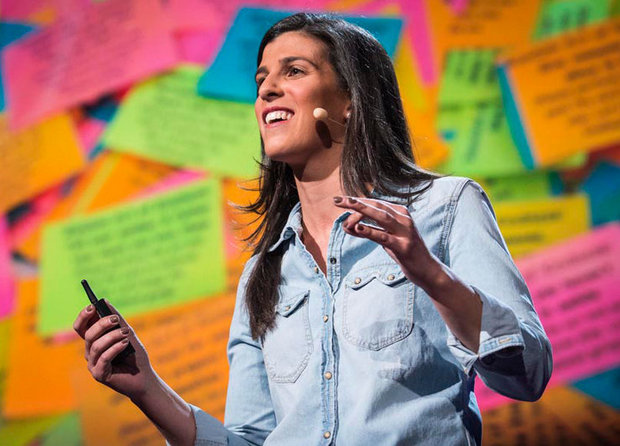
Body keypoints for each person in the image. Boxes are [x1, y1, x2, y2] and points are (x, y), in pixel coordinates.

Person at [73, 12, 552, 446]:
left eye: (294, 71)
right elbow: (251, 440)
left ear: (351, 100)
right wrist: (148, 389)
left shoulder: (444, 207)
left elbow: (526, 375)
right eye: (262, 79)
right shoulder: (263, 272)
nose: (267, 90)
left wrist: (431, 275)